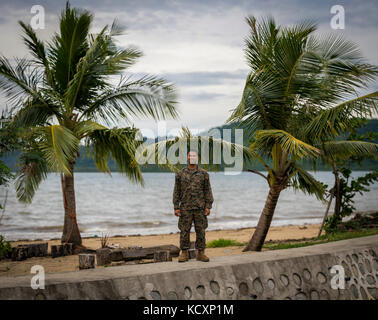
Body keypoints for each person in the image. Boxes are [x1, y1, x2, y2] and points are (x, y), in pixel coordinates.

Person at [172, 150, 214, 262]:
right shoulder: (180, 174)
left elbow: (208, 191)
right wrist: (176, 206)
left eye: (194, 156)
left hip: (200, 207)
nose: (192, 157)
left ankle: (201, 253)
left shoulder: (204, 174)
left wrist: (208, 206)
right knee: (184, 231)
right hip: (185, 208)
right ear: (187, 158)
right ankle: (184, 253)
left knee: (201, 230)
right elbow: (176, 191)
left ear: (197, 158)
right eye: (190, 155)